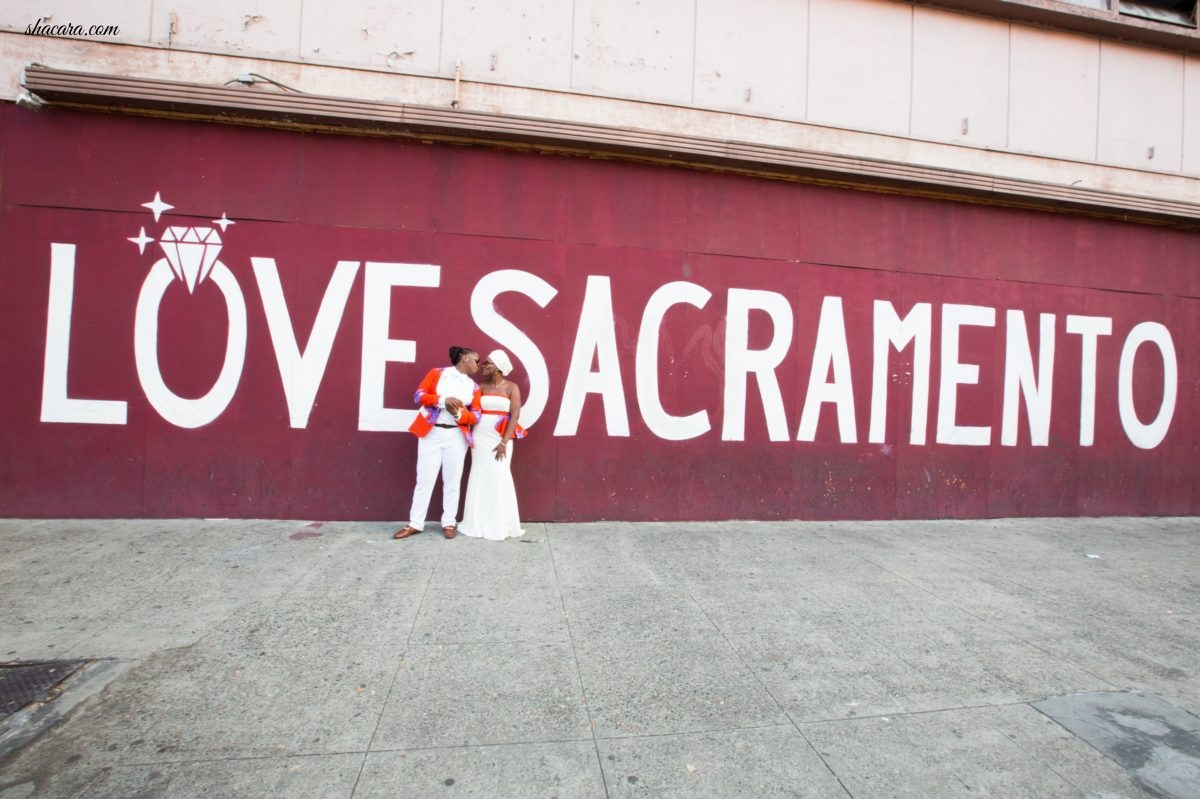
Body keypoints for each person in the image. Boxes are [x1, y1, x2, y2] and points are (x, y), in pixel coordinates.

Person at [393, 346, 481, 540]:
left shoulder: (474, 387)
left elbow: (475, 416)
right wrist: (443, 400)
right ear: (464, 358)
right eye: (476, 359)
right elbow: (419, 395)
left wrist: (458, 413)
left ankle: (449, 522)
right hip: (431, 433)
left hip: (457, 436)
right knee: (424, 479)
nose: (479, 364)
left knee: (452, 480)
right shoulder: (437, 374)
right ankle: (415, 523)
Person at [458, 350, 526, 541]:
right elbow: (471, 410)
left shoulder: (512, 387)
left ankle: (500, 524)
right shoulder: (480, 387)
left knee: (499, 476)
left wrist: (504, 442)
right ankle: (476, 523)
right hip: (480, 438)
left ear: (497, 366)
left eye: (487, 363)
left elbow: (515, 416)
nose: (483, 366)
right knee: (480, 475)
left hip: (500, 439)